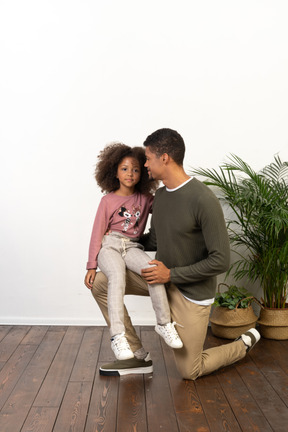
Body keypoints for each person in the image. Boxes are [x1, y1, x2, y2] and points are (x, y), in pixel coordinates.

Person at [88, 129, 260, 379]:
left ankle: (243, 343)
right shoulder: (160, 196)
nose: (144, 164)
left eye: (147, 159)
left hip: (190, 292)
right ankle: (137, 357)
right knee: (101, 284)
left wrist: (171, 274)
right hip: (161, 280)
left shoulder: (203, 199)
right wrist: (116, 239)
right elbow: (154, 240)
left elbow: (221, 260)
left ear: (164, 158)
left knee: (191, 370)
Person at [84, 142, 183, 362]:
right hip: (110, 245)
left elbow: (166, 202)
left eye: (136, 169)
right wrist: (91, 265)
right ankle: (118, 336)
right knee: (116, 278)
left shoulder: (146, 199)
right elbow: (97, 233)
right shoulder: (107, 200)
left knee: (152, 271)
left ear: (143, 174)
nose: (130, 173)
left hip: (131, 246)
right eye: (125, 169)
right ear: (115, 172)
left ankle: (164, 324)